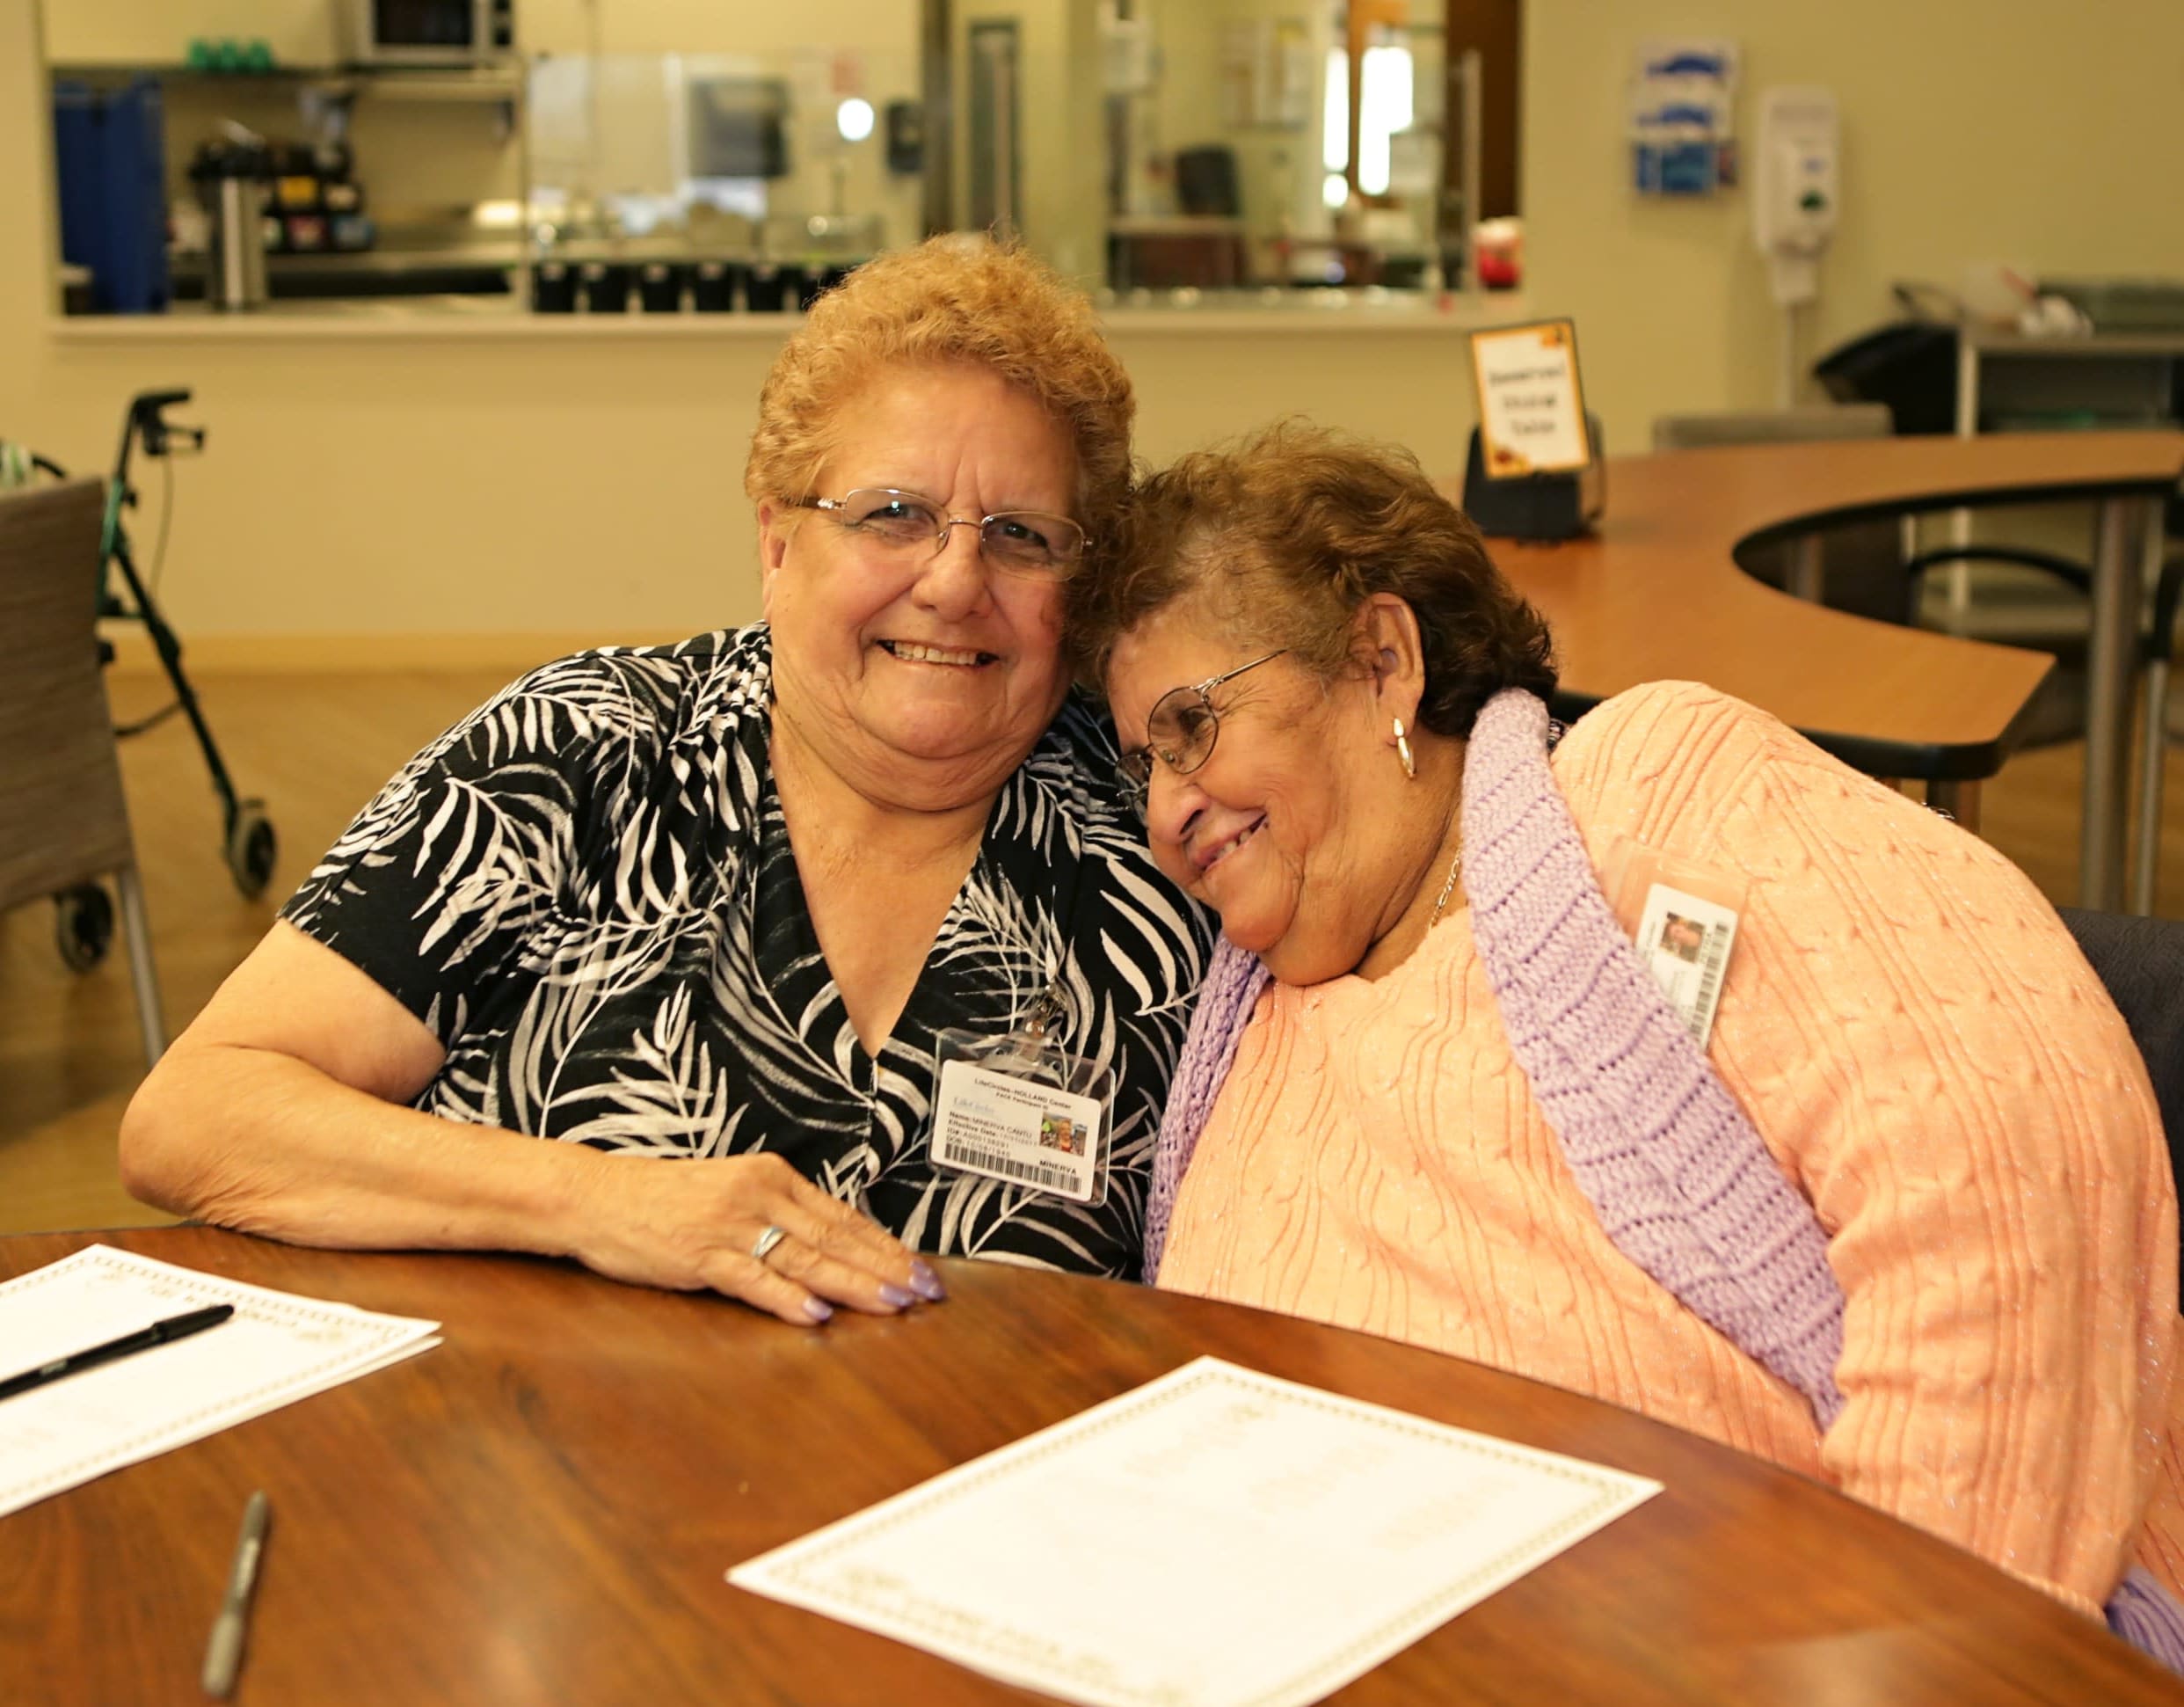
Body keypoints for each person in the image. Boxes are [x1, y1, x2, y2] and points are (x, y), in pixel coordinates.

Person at [1073, 419, 2184, 1663]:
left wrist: (1898, 1642)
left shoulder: (1649, 793)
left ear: (1382, 660)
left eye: (1190, 726)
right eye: (1138, 766)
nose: (1165, 813)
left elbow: (2015, 1153)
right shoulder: (1240, 1033)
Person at [120, 237, 1212, 1326]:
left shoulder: (1167, 837)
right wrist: (596, 1200)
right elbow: (196, 1117)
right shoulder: (578, 755)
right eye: (893, 515)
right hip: (537, 1459)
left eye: (1022, 536)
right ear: (778, 544)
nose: (956, 580)